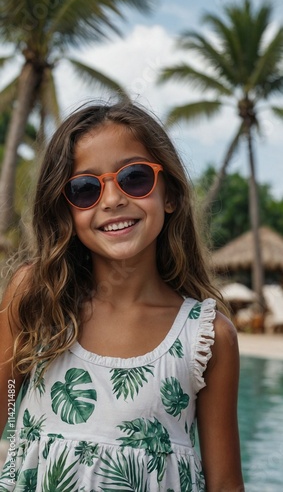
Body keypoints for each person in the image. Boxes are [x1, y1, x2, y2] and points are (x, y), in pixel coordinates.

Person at [0, 101, 244, 491]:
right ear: (66, 209)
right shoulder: (38, 296)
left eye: (134, 178)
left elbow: (226, 485)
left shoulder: (207, 337)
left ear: (171, 195)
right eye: (85, 188)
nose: (112, 199)